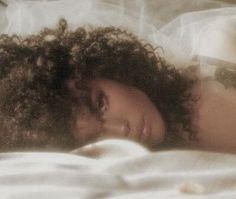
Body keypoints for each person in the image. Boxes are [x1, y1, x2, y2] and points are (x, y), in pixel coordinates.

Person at [0, 19, 235, 153]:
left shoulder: (205, 100)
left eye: (101, 104)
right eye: (96, 140)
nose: (122, 131)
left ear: (104, 70)